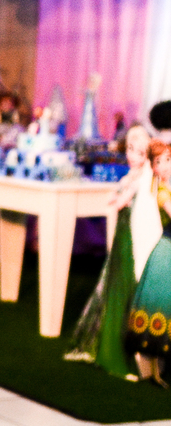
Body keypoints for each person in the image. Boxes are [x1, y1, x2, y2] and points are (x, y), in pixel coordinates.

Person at [66, 124, 163, 378]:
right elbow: (119, 197)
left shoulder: (146, 179)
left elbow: (129, 201)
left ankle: (133, 359)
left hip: (136, 240)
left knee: (130, 293)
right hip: (124, 241)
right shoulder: (131, 177)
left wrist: (121, 197)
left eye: (140, 153)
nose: (132, 156)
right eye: (130, 150)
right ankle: (117, 356)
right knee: (118, 293)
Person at [126, 139, 171, 386]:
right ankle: (150, 370)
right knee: (160, 309)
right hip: (167, 253)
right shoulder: (163, 191)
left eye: (168, 160)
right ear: (152, 167)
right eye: (158, 161)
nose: (164, 166)